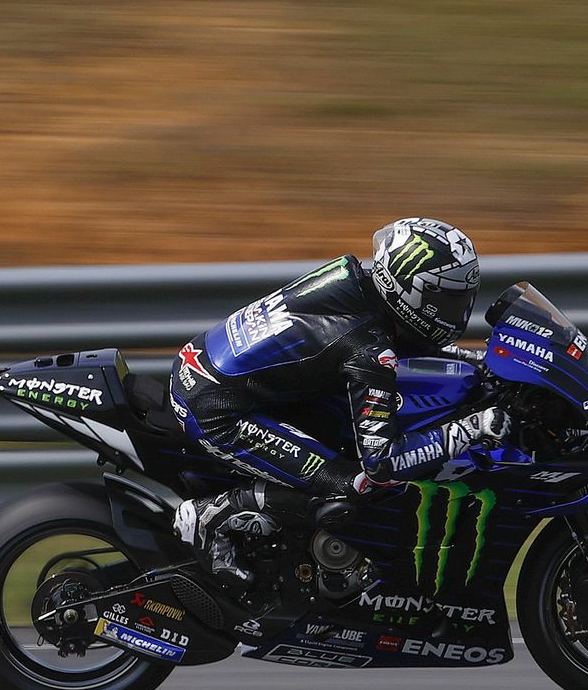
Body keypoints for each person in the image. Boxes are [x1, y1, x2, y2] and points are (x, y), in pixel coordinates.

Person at [169, 218, 510, 591]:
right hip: (218, 408)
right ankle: (212, 515)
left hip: (211, 368)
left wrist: (478, 362)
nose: (456, 309)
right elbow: (382, 462)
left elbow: (396, 343)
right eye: (447, 298)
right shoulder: (366, 349)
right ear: (411, 289)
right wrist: (471, 429)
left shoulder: (353, 279)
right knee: (356, 484)